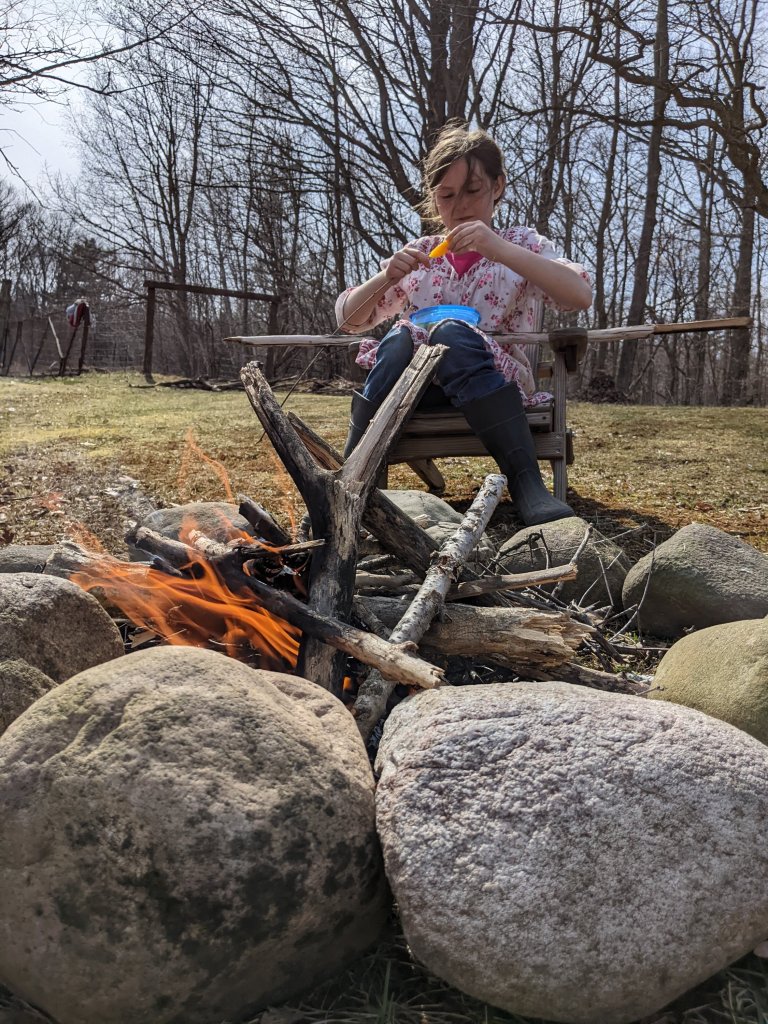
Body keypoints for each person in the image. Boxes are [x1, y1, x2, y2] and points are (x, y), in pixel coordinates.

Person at [335, 123, 593, 526]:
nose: (460, 206)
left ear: (497, 186)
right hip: (417, 392)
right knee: (401, 338)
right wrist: (386, 277)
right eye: (447, 195)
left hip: (494, 387)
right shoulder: (422, 254)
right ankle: (346, 486)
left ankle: (527, 482)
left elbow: (578, 295)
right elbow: (349, 320)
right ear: (434, 199)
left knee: (452, 332)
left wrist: (498, 248)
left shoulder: (521, 245)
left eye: (473, 190)